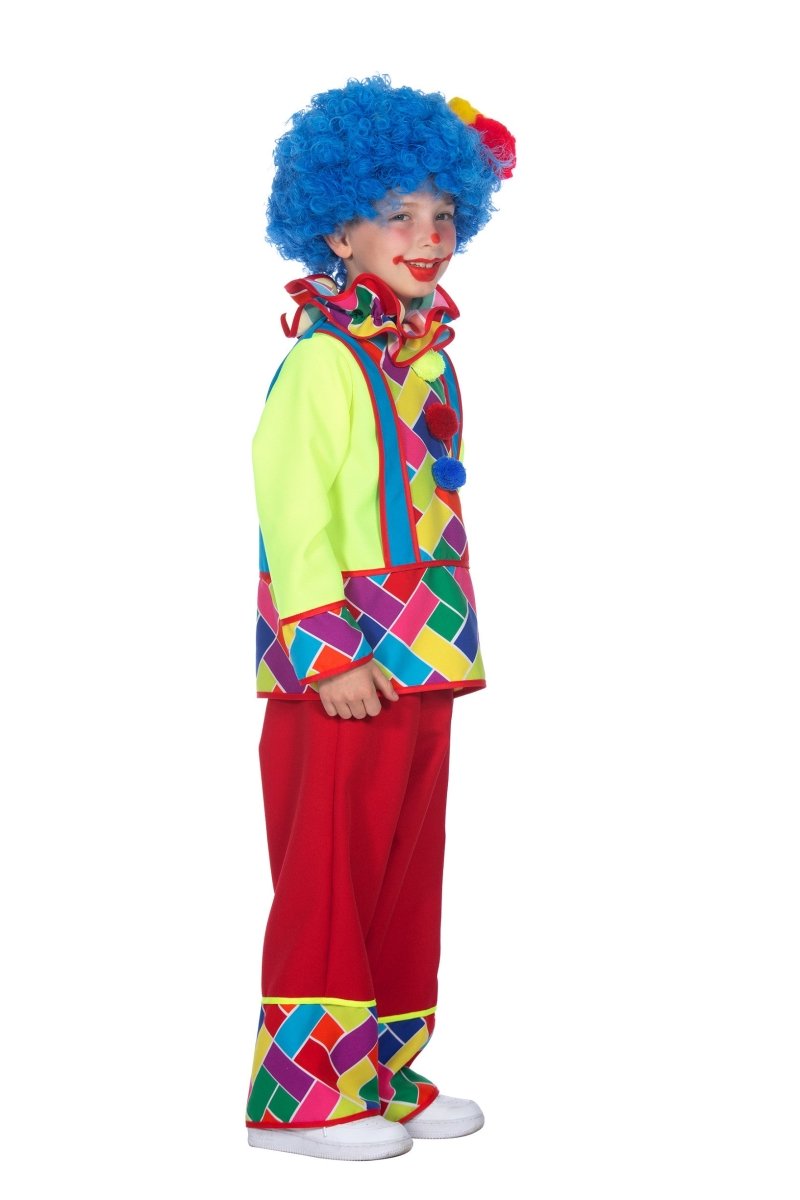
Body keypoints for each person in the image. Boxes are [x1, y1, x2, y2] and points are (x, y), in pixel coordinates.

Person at [245, 75, 516, 1161]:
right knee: (330, 872)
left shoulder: (424, 356)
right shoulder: (323, 360)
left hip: (424, 651)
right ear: (336, 229)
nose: (428, 236)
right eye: (397, 214)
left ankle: (385, 1070)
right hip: (344, 664)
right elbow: (290, 511)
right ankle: (299, 1100)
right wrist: (326, 656)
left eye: (443, 214)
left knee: (405, 870)